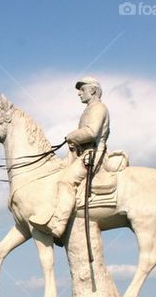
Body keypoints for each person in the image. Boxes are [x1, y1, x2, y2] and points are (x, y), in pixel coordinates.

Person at [33, 76, 110, 237]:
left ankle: (59, 225)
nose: (79, 93)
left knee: (65, 181)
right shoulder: (89, 109)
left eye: (82, 89)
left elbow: (92, 132)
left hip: (93, 154)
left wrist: (72, 136)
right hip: (83, 153)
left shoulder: (98, 108)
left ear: (93, 90)